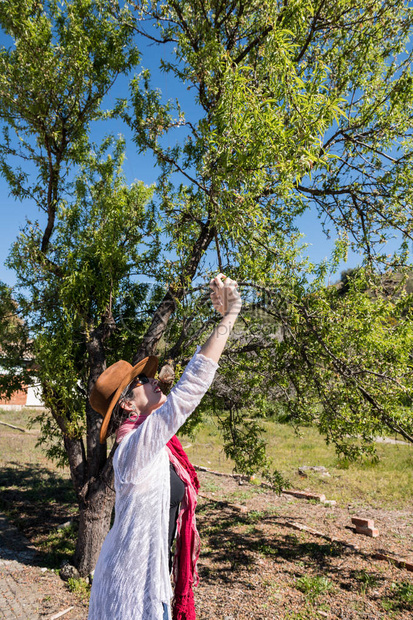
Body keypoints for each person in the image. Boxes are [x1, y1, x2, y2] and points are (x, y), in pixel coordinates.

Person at [87, 274, 242, 620]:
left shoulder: (154, 443)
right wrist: (229, 317)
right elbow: (190, 389)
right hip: (129, 587)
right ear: (128, 405)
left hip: (145, 578)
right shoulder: (135, 445)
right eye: (141, 382)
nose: (152, 381)